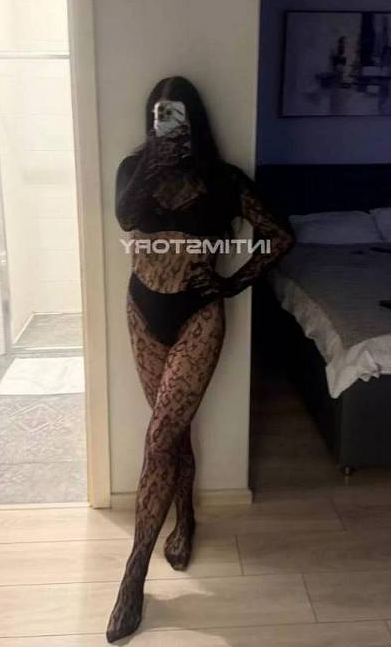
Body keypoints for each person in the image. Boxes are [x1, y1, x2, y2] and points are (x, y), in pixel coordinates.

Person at [106, 76, 294, 642]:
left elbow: (279, 235)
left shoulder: (224, 179)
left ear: (196, 119)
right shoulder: (132, 169)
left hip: (198, 316)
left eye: (179, 114)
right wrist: (153, 159)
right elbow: (125, 219)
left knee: (161, 435)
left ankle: (133, 575)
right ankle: (184, 517)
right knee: (172, 432)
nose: (170, 123)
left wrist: (233, 284)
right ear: (152, 118)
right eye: (162, 114)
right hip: (142, 312)